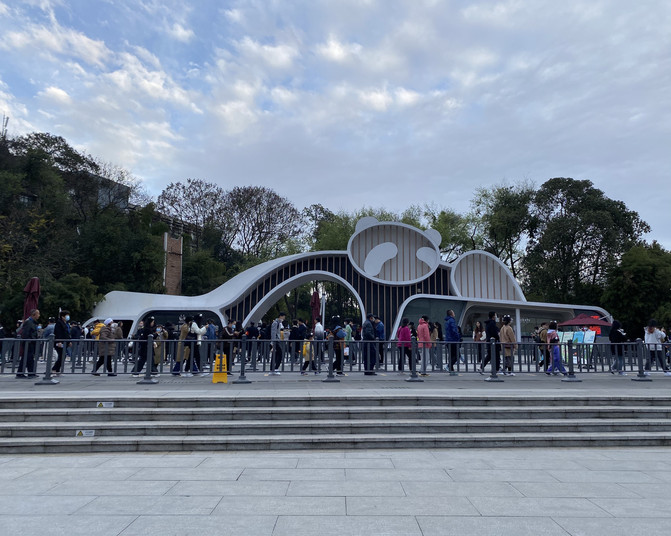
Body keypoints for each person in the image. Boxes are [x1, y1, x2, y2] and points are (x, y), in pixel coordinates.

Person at [16, 309, 40, 378]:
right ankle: (29, 373)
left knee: (26, 358)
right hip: (28, 343)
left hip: (30, 342)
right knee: (28, 358)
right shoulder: (29, 322)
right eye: (38, 314)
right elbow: (25, 333)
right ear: (33, 315)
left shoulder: (32, 322)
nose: (39, 315)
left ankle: (25, 373)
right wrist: (29, 341)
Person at [52, 310, 71, 375]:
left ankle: (57, 369)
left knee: (62, 356)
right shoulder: (59, 323)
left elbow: (67, 333)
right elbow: (58, 332)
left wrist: (69, 341)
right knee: (62, 355)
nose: (68, 317)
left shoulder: (65, 323)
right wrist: (59, 341)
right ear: (62, 316)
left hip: (64, 341)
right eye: (67, 315)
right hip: (60, 342)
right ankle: (54, 368)